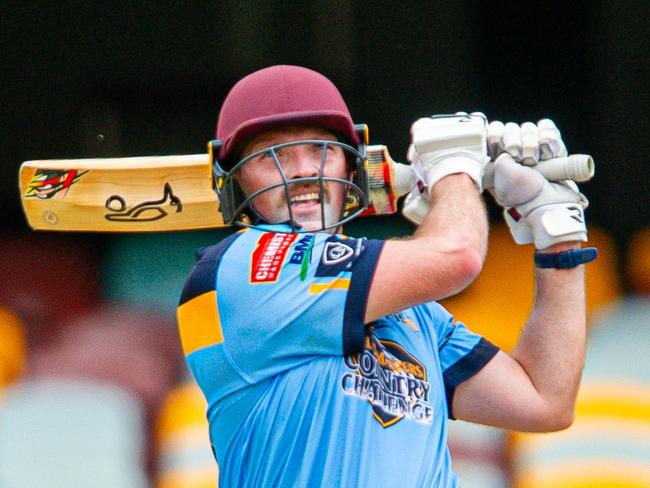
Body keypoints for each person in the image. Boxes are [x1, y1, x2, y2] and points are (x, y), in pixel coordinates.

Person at [176, 64, 597, 487]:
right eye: (272, 155)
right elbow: (457, 257)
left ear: (352, 166)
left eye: (322, 149)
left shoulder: (413, 312)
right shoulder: (240, 269)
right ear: (236, 181)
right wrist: (453, 169)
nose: (304, 170)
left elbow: (544, 401)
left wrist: (557, 235)